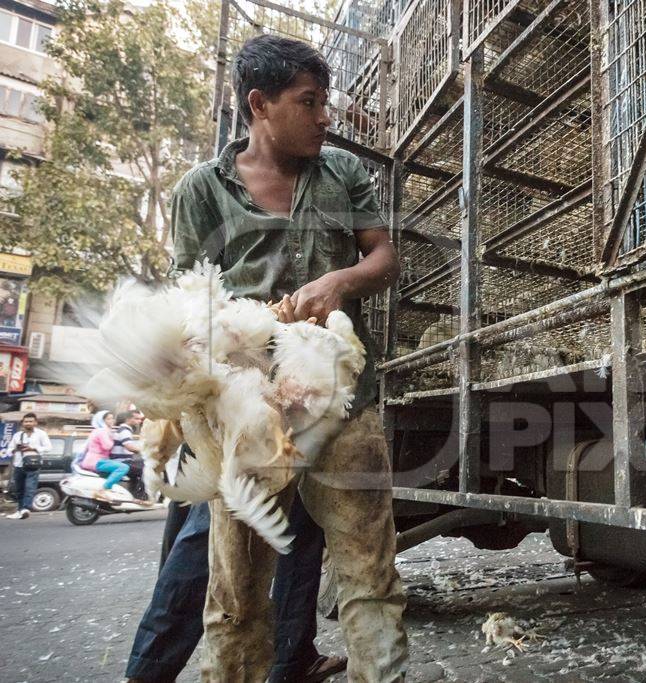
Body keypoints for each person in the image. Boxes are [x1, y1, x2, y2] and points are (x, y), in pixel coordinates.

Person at [125, 34, 407, 682]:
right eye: (309, 102)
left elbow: (384, 255)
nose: (326, 116)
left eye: (325, 101)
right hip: (249, 419)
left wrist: (341, 282)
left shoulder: (343, 173)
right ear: (260, 104)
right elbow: (190, 302)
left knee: (370, 576)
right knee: (234, 598)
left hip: (342, 408)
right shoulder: (202, 190)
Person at [4, 412, 51, 519]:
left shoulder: (41, 434)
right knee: (19, 489)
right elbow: (9, 450)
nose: (28, 423)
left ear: (35, 422)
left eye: (30, 421)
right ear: (22, 423)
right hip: (18, 464)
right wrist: (16, 449)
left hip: (33, 464)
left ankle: (26, 508)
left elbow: (48, 447)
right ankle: (20, 510)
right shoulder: (17, 435)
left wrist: (33, 448)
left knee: (30, 487)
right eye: (26, 421)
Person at [82, 410, 131, 495]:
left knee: (112, 477)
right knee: (123, 468)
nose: (112, 421)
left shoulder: (97, 430)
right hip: (97, 461)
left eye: (112, 418)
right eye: (108, 419)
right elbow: (107, 446)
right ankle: (104, 490)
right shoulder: (102, 431)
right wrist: (113, 438)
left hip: (93, 460)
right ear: (102, 420)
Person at [111, 410, 146, 499]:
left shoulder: (125, 430)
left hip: (124, 461)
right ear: (128, 419)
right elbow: (130, 447)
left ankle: (133, 494)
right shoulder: (124, 430)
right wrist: (146, 451)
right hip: (122, 462)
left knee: (139, 468)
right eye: (136, 419)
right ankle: (140, 496)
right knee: (146, 468)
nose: (139, 421)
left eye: (140, 419)